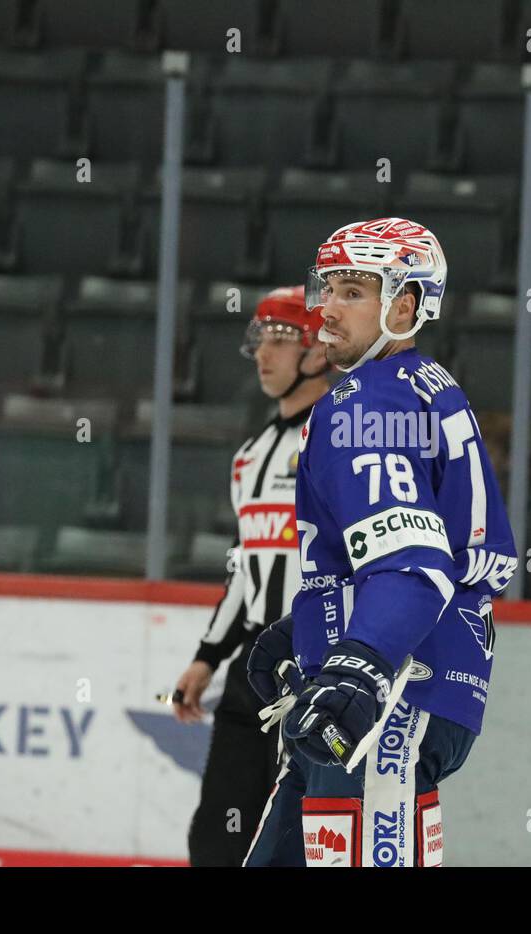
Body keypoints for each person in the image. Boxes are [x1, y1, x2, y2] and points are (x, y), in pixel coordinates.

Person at [242, 217, 518, 867]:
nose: (328, 308)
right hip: (405, 685)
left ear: (405, 305)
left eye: (354, 292)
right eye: (329, 288)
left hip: (386, 704)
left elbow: (411, 562)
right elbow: (414, 548)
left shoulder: (368, 404)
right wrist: (310, 629)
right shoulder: (424, 384)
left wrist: (358, 662)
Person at [168, 286, 330, 867]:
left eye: (281, 339)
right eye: (259, 338)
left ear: (317, 352)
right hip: (252, 667)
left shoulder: (341, 439)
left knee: (300, 836)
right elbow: (245, 569)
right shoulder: (251, 453)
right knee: (217, 835)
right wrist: (207, 656)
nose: (264, 352)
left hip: (318, 666)